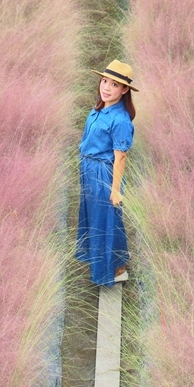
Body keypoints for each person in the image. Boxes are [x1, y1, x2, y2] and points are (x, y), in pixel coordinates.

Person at [76, 59, 138, 287]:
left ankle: (113, 270)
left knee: (106, 222)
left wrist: (115, 190)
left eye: (114, 85)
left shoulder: (120, 120)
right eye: (104, 81)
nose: (106, 87)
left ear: (124, 90)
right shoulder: (100, 108)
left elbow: (120, 157)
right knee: (95, 220)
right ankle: (111, 264)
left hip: (104, 175)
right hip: (90, 171)